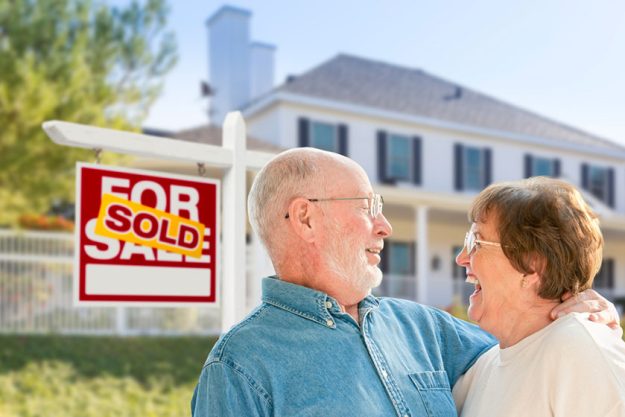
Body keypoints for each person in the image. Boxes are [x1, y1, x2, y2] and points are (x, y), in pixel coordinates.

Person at [192, 148, 619, 417]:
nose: (385, 226)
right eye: (367, 206)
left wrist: (574, 302)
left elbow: (528, 344)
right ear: (305, 217)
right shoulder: (238, 369)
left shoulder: (424, 328)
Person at [452, 177, 625, 417]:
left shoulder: (579, 350)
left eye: (475, 242)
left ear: (533, 264)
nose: (461, 258)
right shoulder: (481, 369)